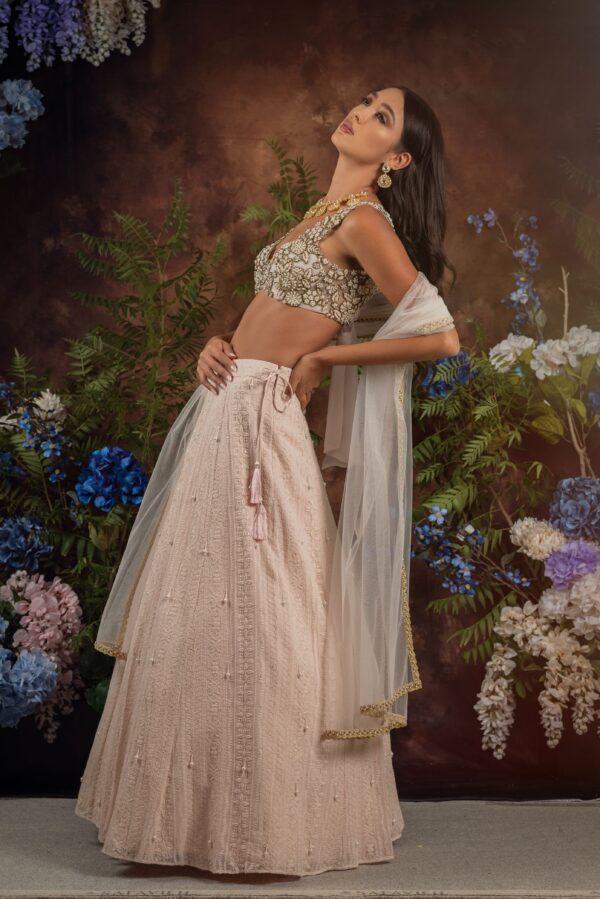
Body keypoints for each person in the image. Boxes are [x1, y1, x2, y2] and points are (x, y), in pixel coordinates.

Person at [75, 84, 460, 877]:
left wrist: (323, 359)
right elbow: (271, 312)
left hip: (265, 426)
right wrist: (217, 342)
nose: (360, 111)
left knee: (276, 612)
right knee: (196, 613)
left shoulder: (364, 221)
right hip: (224, 407)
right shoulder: (316, 217)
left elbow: (439, 334)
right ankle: (196, 820)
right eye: (366, 101)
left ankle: (278, 823)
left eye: (381, 116)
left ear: (398, 160)